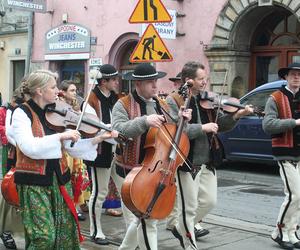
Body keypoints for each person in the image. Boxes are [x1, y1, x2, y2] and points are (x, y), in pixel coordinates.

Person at [11, 69, 114, 249]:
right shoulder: (22, 113)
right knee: (44, 237)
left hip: (59, 181)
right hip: (33, 183)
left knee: (65, 236)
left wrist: (98, 138)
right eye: (53, 87)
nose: (58, 91)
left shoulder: (56, 112)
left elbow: (69, 148)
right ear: (39, 91)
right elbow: (29, 146)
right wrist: (60, 137)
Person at [166, 61, 253, 249]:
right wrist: (202, 128)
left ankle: (179, 227)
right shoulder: (174, 100)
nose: (205, 82)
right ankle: (190, 244)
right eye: (201, 79)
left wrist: (236, 116)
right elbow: (175, 131)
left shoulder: (205, 99)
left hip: (208, 159)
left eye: (205, 78)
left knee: (209, 202)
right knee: (188, 208)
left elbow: (219, 123)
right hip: (187, 161)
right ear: (189, 80)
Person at [112, 63, 192, 250]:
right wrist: (144, 121)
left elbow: (174, 134)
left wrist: (182, 120)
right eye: (150, 82)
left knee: (145, 218)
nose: (155, 86)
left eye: (155, 81)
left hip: (157, 169)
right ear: (137, 84)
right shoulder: (122, 104)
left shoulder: (161, 104)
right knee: (147, 219)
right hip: (131, 169)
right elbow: (118, 130)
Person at [263, 62, 300, 250]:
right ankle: (279, 231)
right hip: (285, 152)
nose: (297, 77)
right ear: (285, 77)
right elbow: (268, 125)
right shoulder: (275, 97)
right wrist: (294, 122)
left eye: (299, 75)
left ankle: (292, 233)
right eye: (293, 74)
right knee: (295, 195)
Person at [85, 64, 123, 245]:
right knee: (100, 192)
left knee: (125, 189)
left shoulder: (116, 98)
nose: (117, 82)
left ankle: (134, 229)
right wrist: (112, 132)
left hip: (118, 150)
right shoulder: (91, 99)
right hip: (100, 150)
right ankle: (96, 231)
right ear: (104, 81)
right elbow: (94, 128)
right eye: (114, 79)